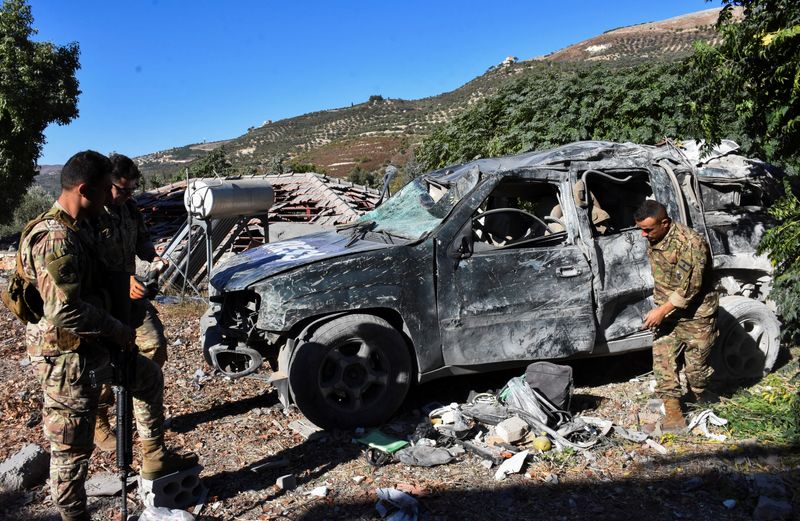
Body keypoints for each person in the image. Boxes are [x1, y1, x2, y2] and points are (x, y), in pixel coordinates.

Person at [18, 151, 196, 521]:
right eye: (105, 193)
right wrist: (118, 329)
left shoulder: (85, 223)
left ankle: (153, 457)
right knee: (71, 450)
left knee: (148, 377)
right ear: (85, 190)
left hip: (99, 342)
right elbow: (63, 311)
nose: (109, 204)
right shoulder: (54, 238)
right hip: (64, 358)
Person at [83, 153, 169, 451]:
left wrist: (154, 256)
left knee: (154, 344)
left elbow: (142, 241)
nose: (127, 195)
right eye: (122, 189)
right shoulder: (88, 214)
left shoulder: (129, 209)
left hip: (132, 300)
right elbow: (87, 267)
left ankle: (137, 397)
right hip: (102, 303)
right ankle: (99, 417)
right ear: (107, 184)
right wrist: (121, 281)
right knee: (104, 363)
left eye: (132, 189)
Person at [634, 200, 719, 433]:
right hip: (668, 314)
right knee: (663, 363)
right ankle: (674, 415)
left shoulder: (691, 243)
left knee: (697, 372)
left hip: (696, 316)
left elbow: (690, 287)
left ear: (665, 223)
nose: (643, 234)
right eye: (640, 229)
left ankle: (702, 401)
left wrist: (660, 311)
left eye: (648, 229)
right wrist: (661, 309)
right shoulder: (655, 236)